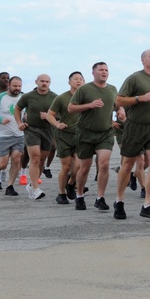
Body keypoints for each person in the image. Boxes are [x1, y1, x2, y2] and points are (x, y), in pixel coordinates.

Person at [114, 49, 150, 220]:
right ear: (143, 60)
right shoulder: (134, 78)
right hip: (136, 126)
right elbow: (119, 100)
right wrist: (139, 98)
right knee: (128, 165)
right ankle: (119, 201)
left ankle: (148, 205)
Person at [69, 63, 118, 210]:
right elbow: (71, 108)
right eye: (101, 70)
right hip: (85, 133)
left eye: (106, 70)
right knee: (85, 167)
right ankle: (79, 195)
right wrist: (89, 105)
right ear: (93, 73)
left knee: (104, 164)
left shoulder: (112, 89)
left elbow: (117, 104)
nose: (104, 72)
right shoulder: (85, 89)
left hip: (105, 133)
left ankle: (100, 197)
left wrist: (121, 110)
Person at [15, 74, 58, 199]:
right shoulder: (28, 96)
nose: (44, 83)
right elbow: (17, 109)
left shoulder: (55, 97)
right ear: (36, 82)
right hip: (31, 129)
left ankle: (32, 183)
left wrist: (49, 116)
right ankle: (35, 189)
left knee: (41, 160)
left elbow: (61, 113)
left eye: (47, 81)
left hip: (48, 130)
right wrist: (19, 123)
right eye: (42, 81)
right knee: (35, 158)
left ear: (50, 83)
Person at [47, 71, 84, 206]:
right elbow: (50, 115)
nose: (78, 81)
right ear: (69, 82)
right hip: (64, 135)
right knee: (66, 166)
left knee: (78, 165)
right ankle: (61, 193)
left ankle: (71, 183)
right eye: (75, 79)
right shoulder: (61, 98)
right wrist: (57, 124)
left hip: (81, 135)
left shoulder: (87, 98)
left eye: (81, 79)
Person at [0, 77, 25, 195]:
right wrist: (0, 119)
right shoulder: (0, 98)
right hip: (3, 135)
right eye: (15, 86)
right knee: (2, 164)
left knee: (16, 159)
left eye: (19, 86)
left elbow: (26, 112)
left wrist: (26, 120)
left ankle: (10, 186)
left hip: (19, 135)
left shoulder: (23, 98)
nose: (17, 88)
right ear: (9, 85)